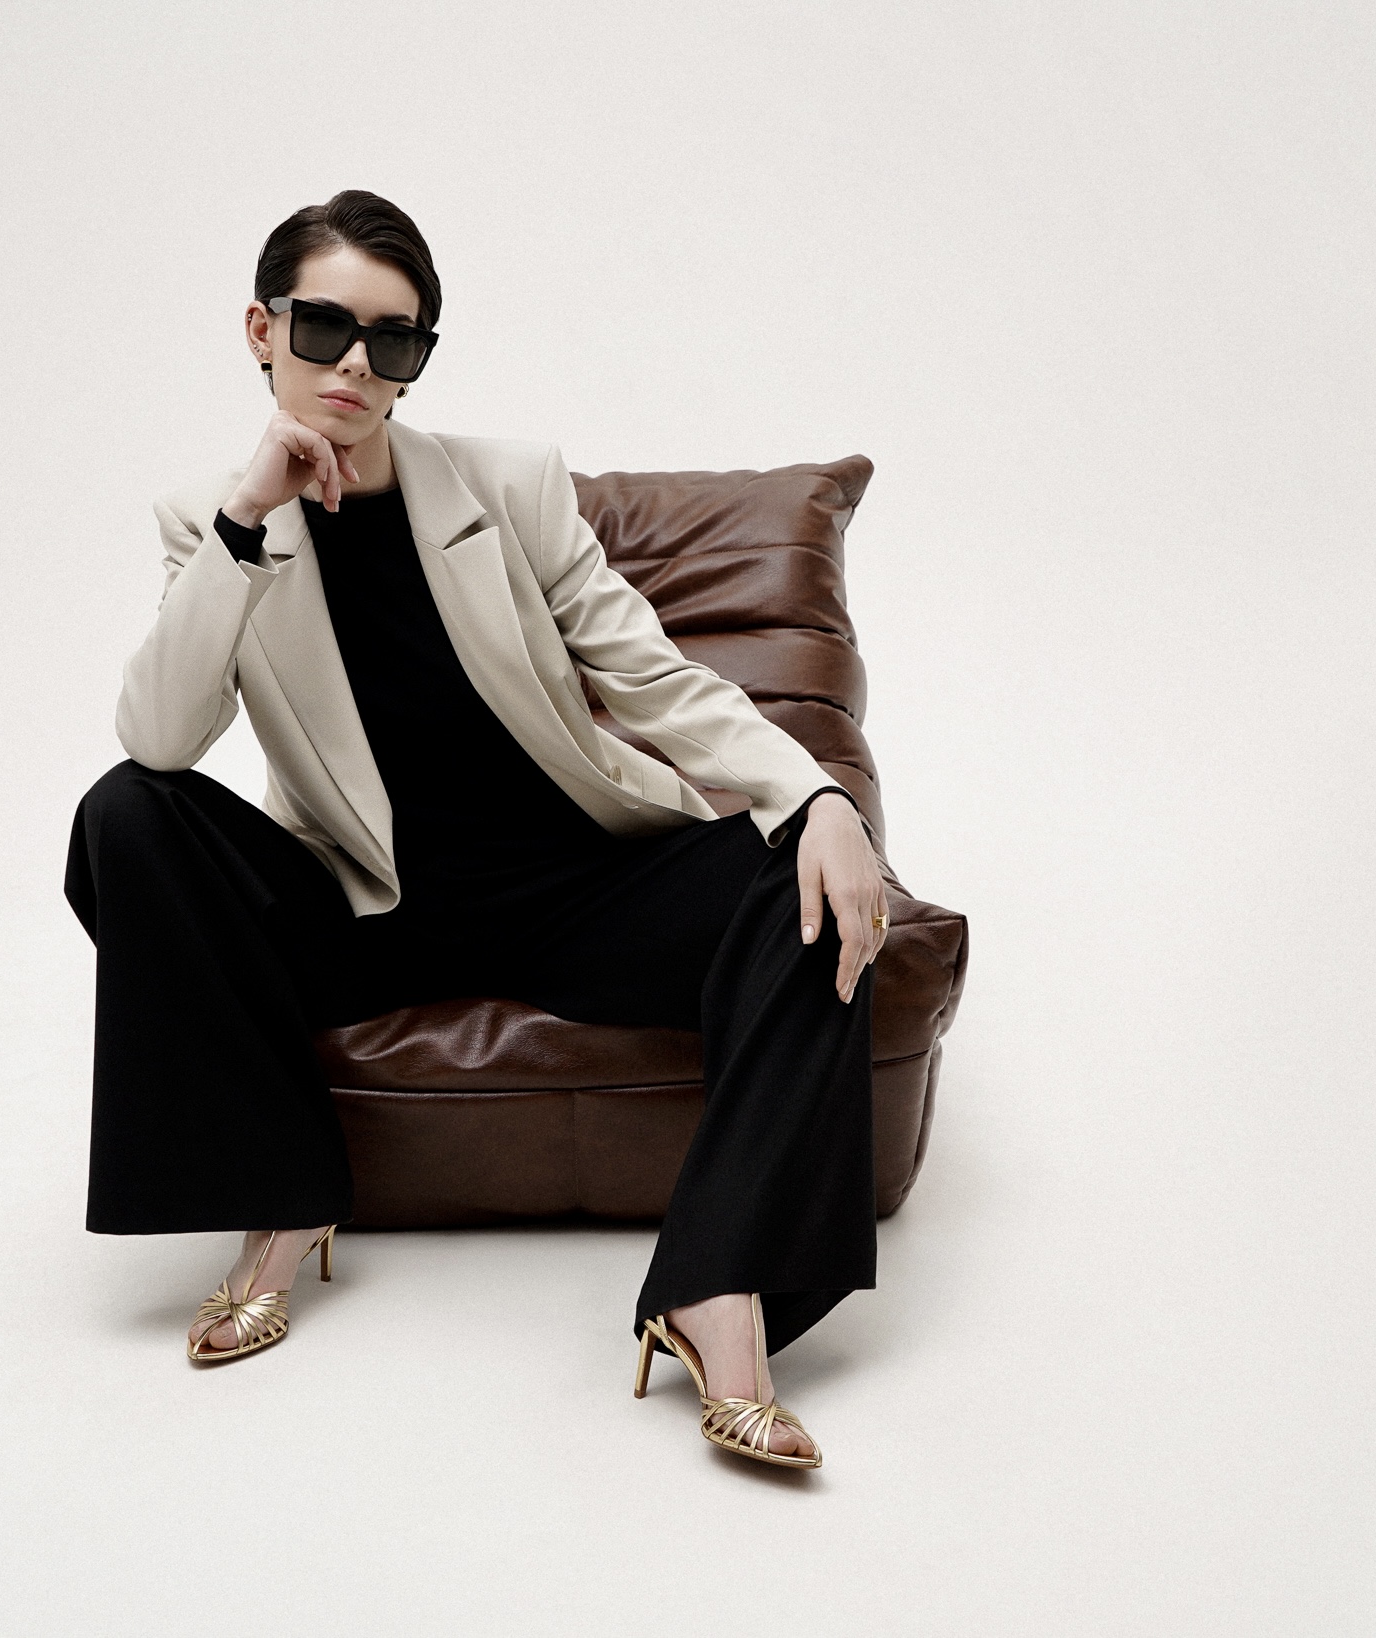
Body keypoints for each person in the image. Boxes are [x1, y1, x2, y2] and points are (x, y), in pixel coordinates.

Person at [65, 190, 891, 1469]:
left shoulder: (508, 487)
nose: (354, 363)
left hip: (575, 889)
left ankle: (714, 1288)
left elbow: (649, 676)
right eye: (324, 327)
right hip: (368, 909)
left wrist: (817, 797)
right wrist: (249, 516)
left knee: (809, 890)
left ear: (416, 361)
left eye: (392, 340)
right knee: (123, 814)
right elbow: (161, 737)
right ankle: (281, 1200)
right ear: (260, 329)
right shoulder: (208, 517)